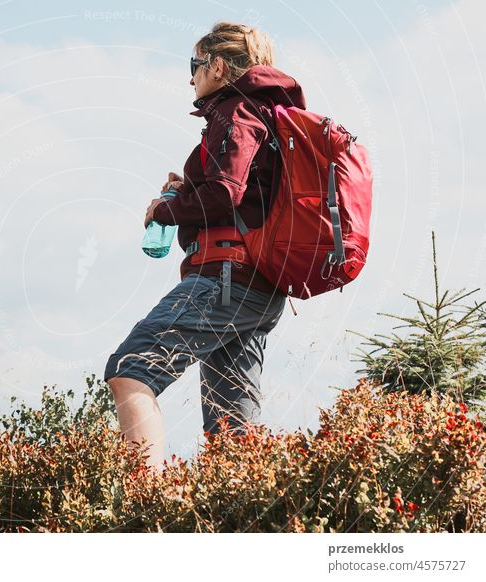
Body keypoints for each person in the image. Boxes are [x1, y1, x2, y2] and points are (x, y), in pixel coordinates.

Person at [103, 21, 307, 471]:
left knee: (130, 369)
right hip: (258, 289)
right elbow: (239, 191)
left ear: (217, 66)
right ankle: (241, 521)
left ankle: (143, 510)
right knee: (232, 435)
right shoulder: (265, 114)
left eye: (194, 65)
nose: (190, 77)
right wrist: (189, 186)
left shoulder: (234, 113)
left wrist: (163, 211)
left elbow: (225, 194)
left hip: (225, 280)